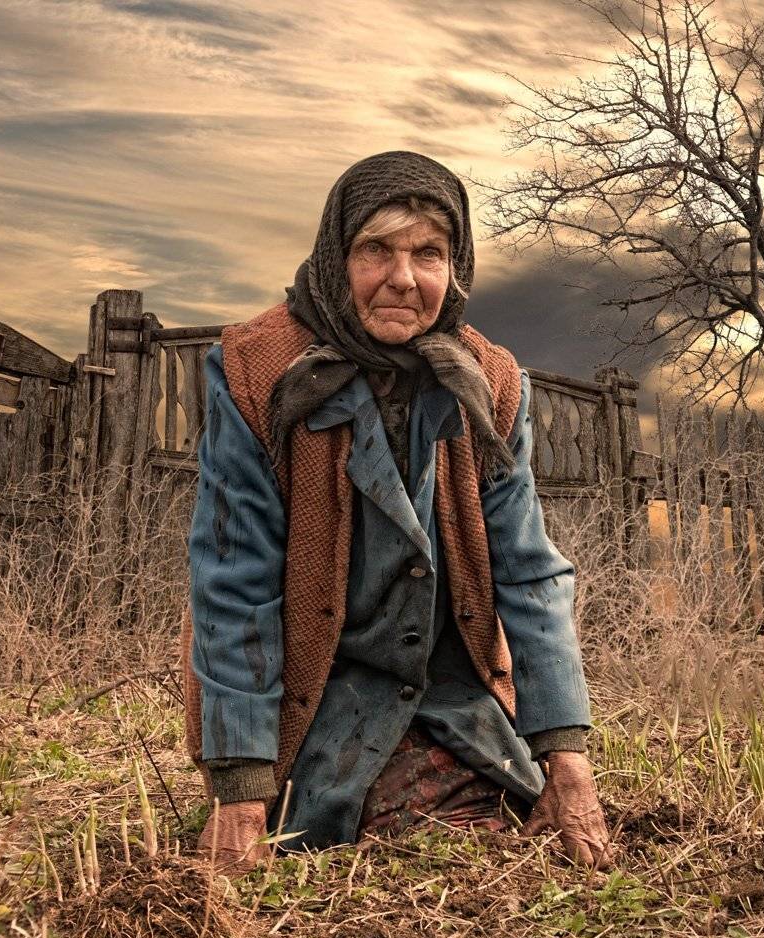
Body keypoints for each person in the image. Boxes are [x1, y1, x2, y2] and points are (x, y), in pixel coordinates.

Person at [179, 150, 612, 870]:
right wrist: (240, 788)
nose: (403, 278)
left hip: (445, 691)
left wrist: (565, 757)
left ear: (457, 266)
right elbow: (234, 579)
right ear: (335, 254)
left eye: (429, 254)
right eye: (375, 249)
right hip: (314, 694)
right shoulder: (257, 372)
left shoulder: (491, 384)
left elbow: (530, 574)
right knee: (340, 824)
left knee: (492, 815)